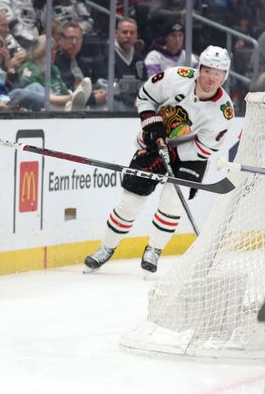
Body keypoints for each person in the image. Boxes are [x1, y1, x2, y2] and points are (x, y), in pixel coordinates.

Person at [85, 46, 234, 273]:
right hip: (155, 142)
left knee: (173, 199)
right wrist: (153, 127)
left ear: (225, 76)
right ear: (199, 69)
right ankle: (106, 247)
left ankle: (154, 249)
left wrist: (172, 153)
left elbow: (203, 149)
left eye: (218, 73)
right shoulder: (176, 77)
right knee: (130, 201)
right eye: (208, 70)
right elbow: (145, 97)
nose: (211, 78)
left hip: (190, 156)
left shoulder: (223, 111)